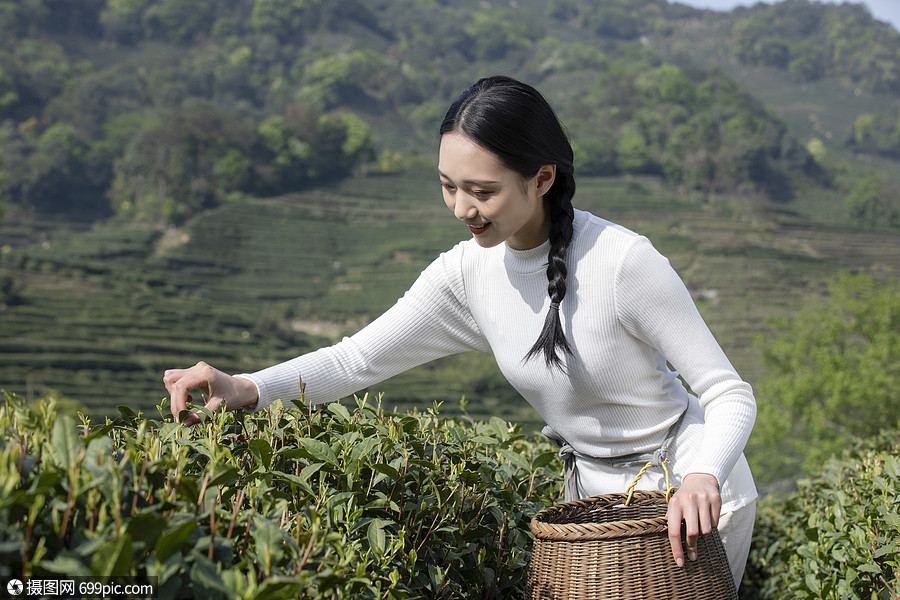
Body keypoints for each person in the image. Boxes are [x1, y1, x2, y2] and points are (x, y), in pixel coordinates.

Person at [163, 75, 757, 587]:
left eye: (482, 191)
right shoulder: (465, 274)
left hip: (690, 496)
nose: (460, 208)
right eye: (448, 185)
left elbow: (728, 392)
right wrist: (246, 386)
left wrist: (703, 476)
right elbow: (357, 361)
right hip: (593, 512)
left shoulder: (622, 262)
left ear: (543, 177)